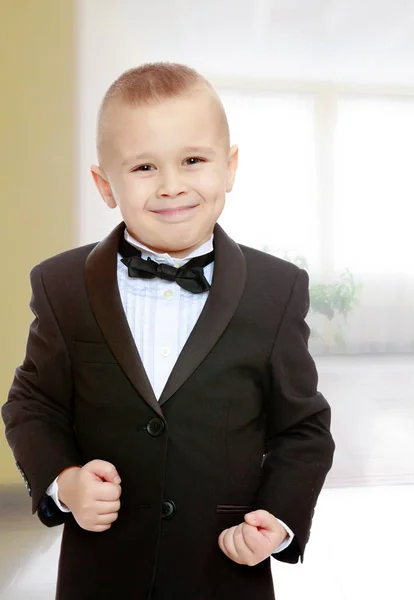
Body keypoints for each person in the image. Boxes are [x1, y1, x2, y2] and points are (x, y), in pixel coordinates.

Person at [2, 62, 335, 600]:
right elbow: (31, 406)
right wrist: (64, 482)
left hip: (223, 572)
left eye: (193, 160)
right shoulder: (62, 285)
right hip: (101, 572)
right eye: (143, 168)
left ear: (229, 168)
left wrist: (278, 515)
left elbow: (303, 428)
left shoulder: (277, 290)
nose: (172, 186)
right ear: (104, 184)